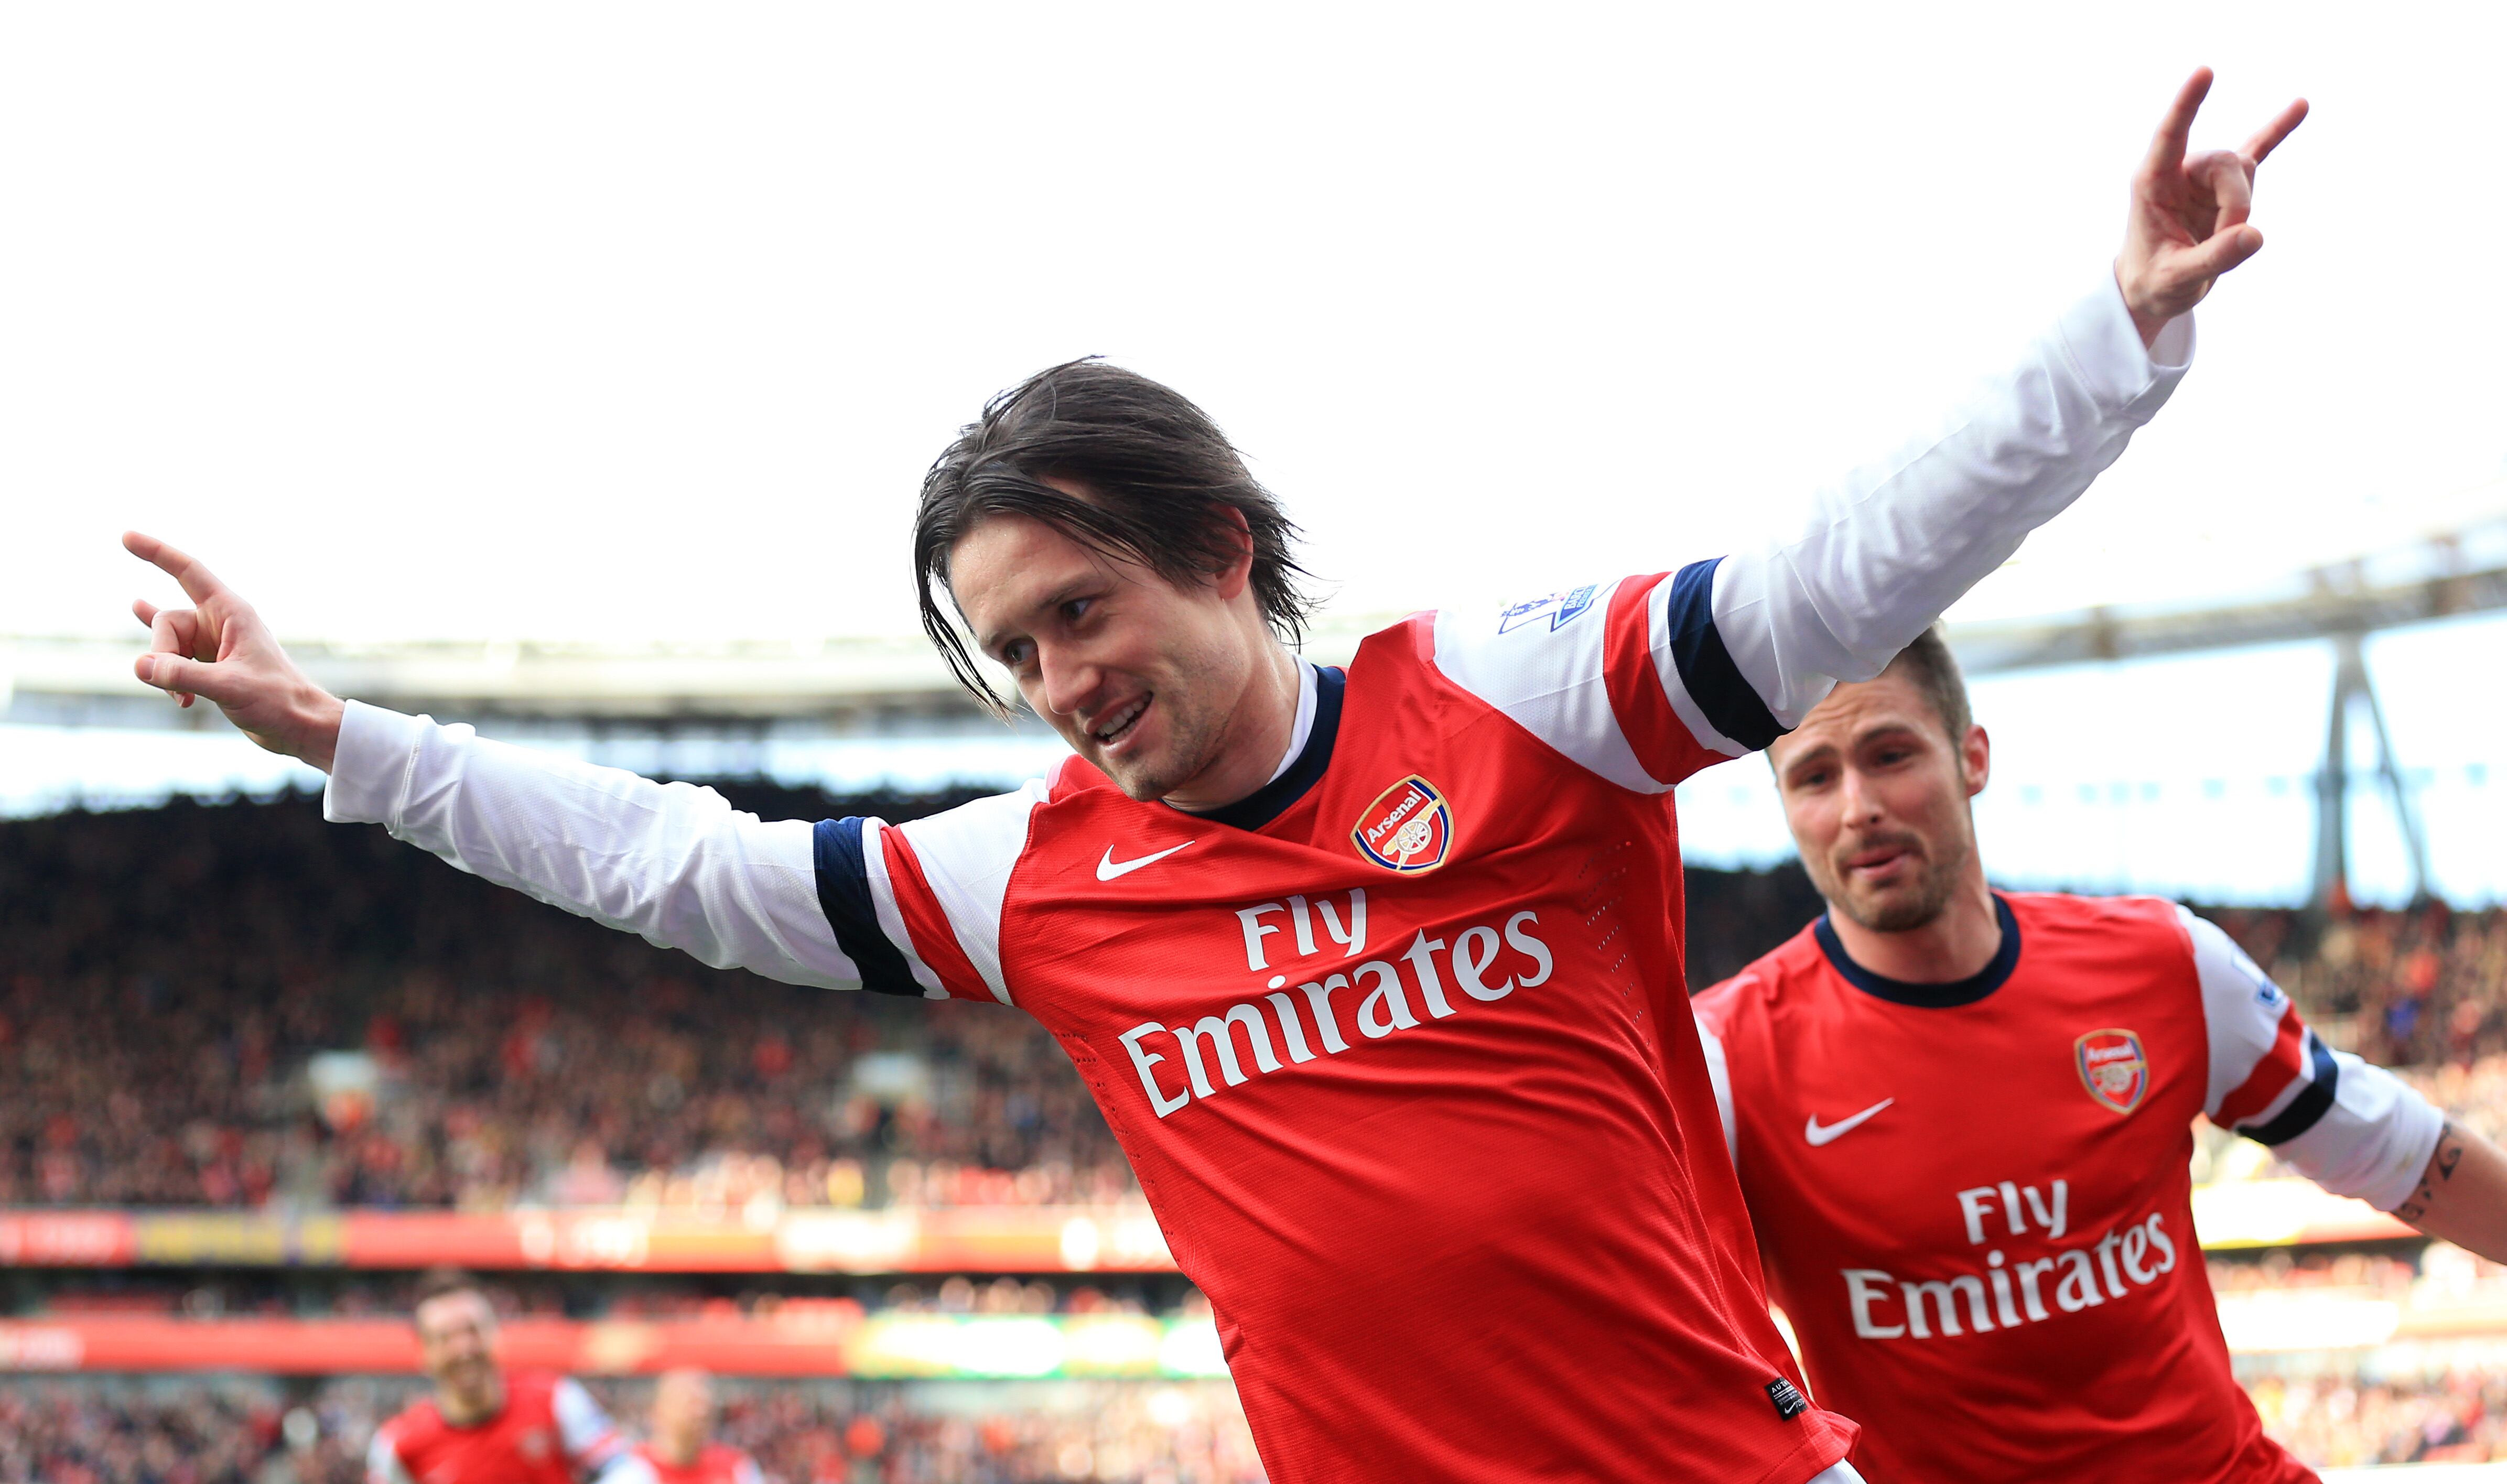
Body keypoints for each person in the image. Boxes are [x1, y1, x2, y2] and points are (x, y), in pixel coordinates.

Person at [129, 70, 2299, 1484]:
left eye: (1082, 607)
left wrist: (2110, 336)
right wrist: (346, 737)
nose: (1061, 680)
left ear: (1221, 547)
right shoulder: (1033, 877)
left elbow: (1838, 575)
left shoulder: (1519, 704)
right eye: (1015, 649)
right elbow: (682, 868)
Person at [1692, 629, 2507, 1482]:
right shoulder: (1725, 1057)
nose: (1857, 804)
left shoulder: (2164, 962)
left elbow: (2400, 1151)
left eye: (1889, 754)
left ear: (1972, 757)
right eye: (1814, 777)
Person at [367, 1270, 641, 1484]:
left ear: (495, 1334)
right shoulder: (398, 1446)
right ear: (424, 1353)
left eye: (472, 1330)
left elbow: (627, 1473)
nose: (464, 1349)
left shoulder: (556, 1400)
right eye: (445, 1338)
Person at [630, 1371, 761, 1484]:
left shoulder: (737, 1467)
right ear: (658, 1411)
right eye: (691, 1403)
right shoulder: (634, 1469)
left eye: (705, 1404)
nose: (701, 1413)